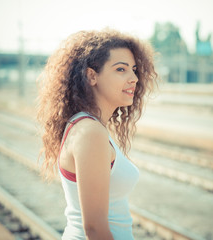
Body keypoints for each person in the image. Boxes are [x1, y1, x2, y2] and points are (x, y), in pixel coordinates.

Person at [37, 29, 157, 240]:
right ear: (92, 76)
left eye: (134, 70)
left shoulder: (90, 127)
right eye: (121, 69)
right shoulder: (90, 133)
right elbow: (94, 228)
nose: (134, 78)